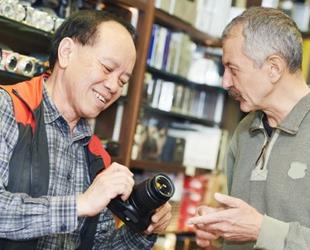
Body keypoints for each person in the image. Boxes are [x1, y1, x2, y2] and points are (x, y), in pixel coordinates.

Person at [0, 10, 172, 250]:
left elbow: (100, 245)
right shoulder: (7, 108)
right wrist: (79, 204)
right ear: (67, 52)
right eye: (106, 68)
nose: (113, 86)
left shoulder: (96, 154)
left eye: (123, 81)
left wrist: (143, 230)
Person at [187, 6, 310, 250]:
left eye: (233, 69)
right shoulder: (244, 131)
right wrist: (220, 229)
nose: (225, 82)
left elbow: (258, 228)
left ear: (273, 68)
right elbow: (248, 230)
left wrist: (261, 229)